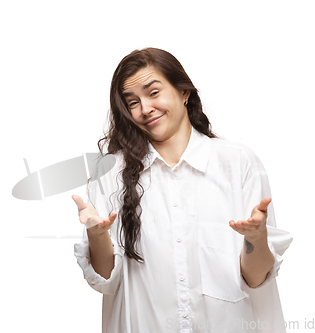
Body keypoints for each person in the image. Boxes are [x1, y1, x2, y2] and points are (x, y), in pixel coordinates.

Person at [72, 47, 293, 333]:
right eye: (133, 102)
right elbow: (105, 281)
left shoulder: (237, 163)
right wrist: (97, 235)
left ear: (183, 92)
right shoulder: (111, 174)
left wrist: (255, 238)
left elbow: (257, 277)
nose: (145, 108)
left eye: (153, 93)